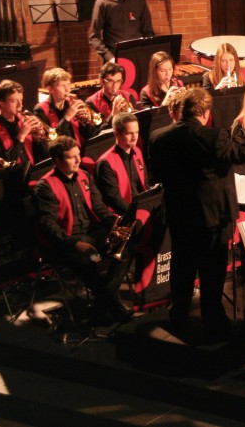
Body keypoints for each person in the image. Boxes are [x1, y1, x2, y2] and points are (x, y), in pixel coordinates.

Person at [149, 88, 245, 338]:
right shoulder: (213, 137)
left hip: (179, 215)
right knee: (212, 272)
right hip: (212, 218)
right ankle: (213, 322)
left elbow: (156, 176)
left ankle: (179, 314)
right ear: (203, 112)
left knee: (182, 267)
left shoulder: (159, 138)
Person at [33, 136, 133, 324]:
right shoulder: (45, 187)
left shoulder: (85, 176)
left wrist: (115, 227)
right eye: (72, 157)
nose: (79, 160)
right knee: (87, 263)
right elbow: (48, 226)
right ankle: (114, 307)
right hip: (64, 241)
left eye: (78, 155)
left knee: (126, 245)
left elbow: (100, 209)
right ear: (57, 160)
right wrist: (74, 243)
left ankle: (104, 298)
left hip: (90, 233)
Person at [89, 0, 154, 63]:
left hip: (137, 56)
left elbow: (148, 31)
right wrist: (109, 57)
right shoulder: (103, 3)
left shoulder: (139, 1)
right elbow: (94, 36)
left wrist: (145, 53)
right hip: (114, 58)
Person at [0, 79, 49, 165]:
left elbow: (45, 154)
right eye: (14, 101)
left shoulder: (24, 121)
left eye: (21, 100)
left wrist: (40, 137)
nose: (20, 105)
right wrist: (21, 136)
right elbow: (5, 164)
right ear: (1, 103)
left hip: (33, 172)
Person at [95, 112, 147, 215]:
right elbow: (114, 200)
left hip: (140, 207)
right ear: (116, 133)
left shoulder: (137, 152)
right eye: (129, 133)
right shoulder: (105, 163)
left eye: (136, 132)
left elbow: (145, 184)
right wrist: (135, 214)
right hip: (123, 213)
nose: (134, 137)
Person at [34, 67, 100, 148]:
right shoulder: (40, 110)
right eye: (63, 86)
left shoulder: (71, 103)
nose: (68, 89)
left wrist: (87, 122)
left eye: (68, 85)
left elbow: (89, 136)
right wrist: (67, 117)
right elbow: (49, 142)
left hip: (78, 150)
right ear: (50, 89)